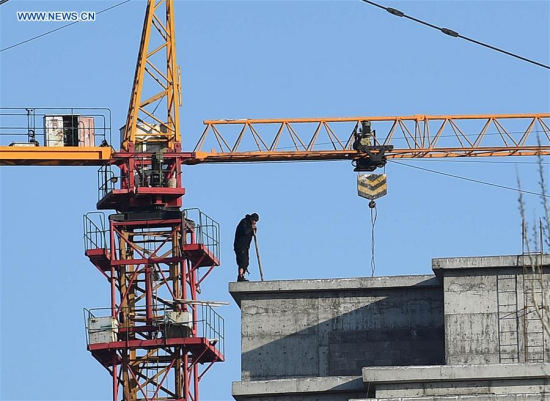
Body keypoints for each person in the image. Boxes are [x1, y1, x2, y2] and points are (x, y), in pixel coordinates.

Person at [234, 213, 259, 282]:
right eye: (254, 220)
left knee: (246, 262)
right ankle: (240, 276)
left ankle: (242, 275)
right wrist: (251, 228)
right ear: (251, 218)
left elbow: (250, 234)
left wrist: (254, 231)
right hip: (240, 245)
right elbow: (245, 232)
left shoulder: (250, 225)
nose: (254, 222)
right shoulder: (244, 222)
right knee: (243, 261)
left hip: (246, 246)